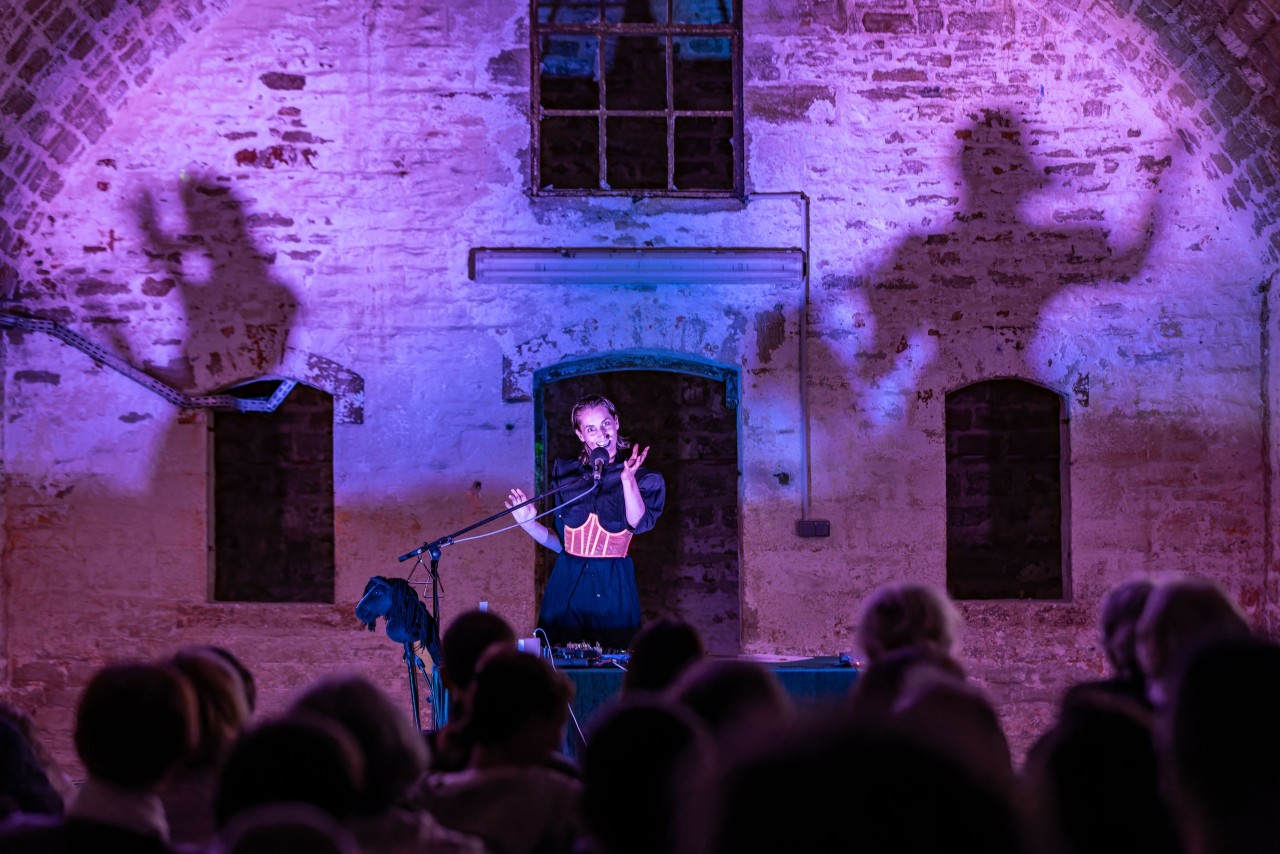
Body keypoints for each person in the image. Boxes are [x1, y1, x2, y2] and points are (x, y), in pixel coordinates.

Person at [506, 394, 665, 649]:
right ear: (580, 435)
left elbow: (637, 521)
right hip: (567, 584)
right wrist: (528, 525)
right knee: (560, 661)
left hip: (613, 587)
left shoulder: (643, 477)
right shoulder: (567, 474)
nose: (601, 434)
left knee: (614, 662)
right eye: (590, 429)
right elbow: (563, 546)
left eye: (605, 423)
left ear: (616, 422)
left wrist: (628, 481)